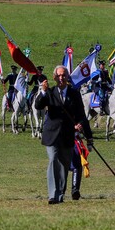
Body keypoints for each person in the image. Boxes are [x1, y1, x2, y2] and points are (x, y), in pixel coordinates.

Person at [35, 65, 94, 204]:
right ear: (54, 77)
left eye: (64, 75)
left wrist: (81, 125)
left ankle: (60, 193)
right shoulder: (49, 92)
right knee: (53, 159)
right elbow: (38, 105)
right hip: (51, 134)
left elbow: (81, 115)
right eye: (58, 75)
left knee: (64, 165)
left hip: (68, 134)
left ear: (67, 77)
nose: (61, 78)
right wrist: (43, 92)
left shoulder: (74, 94)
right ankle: (52, 194)